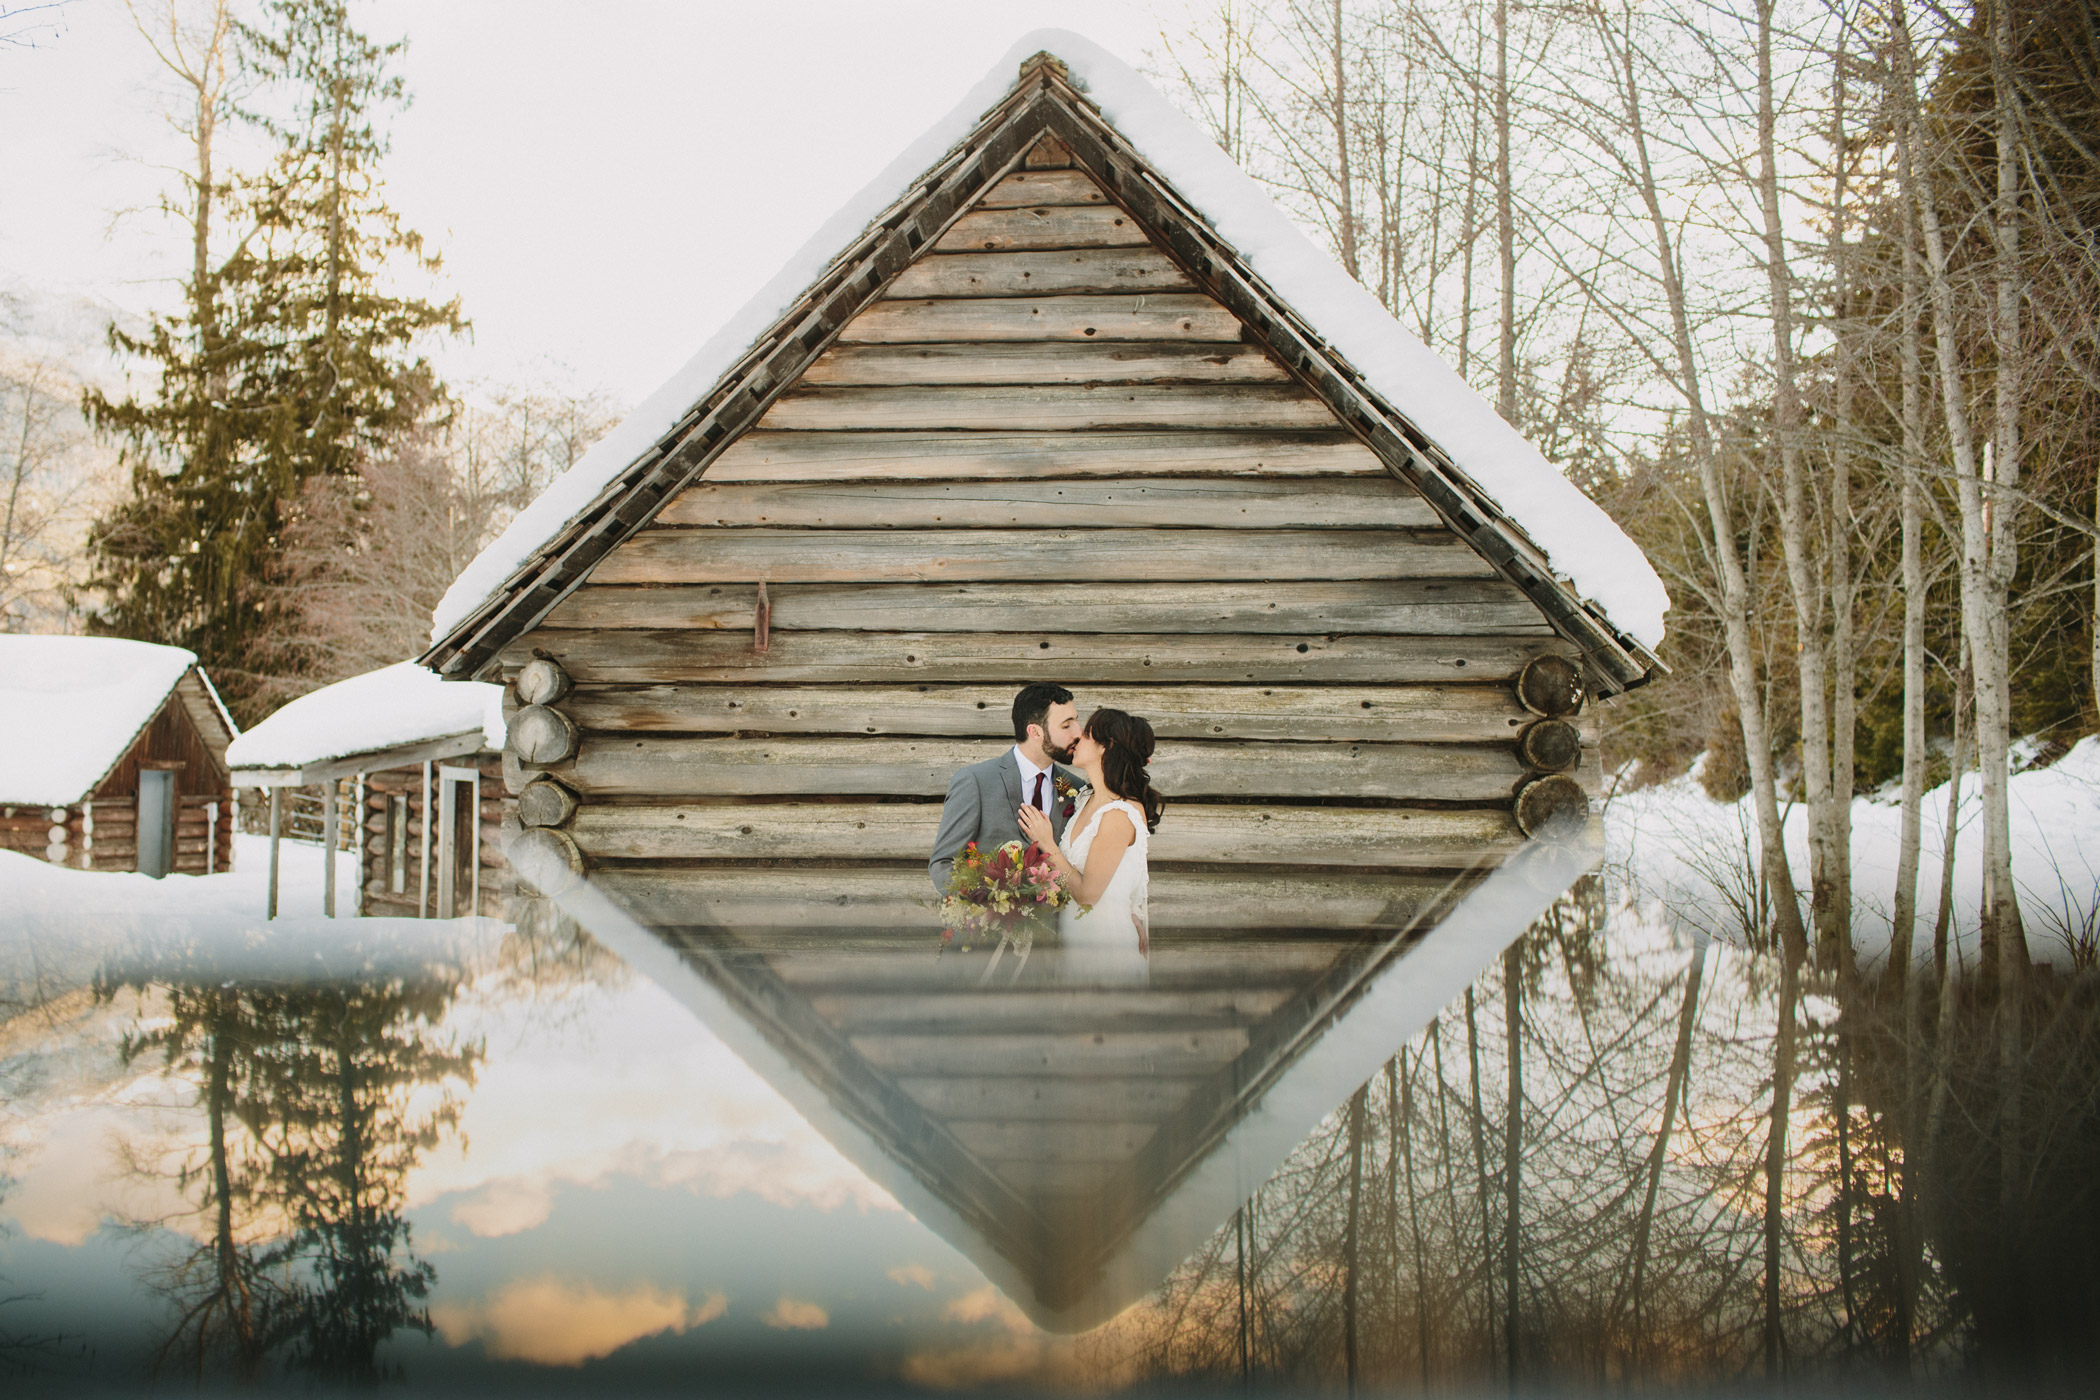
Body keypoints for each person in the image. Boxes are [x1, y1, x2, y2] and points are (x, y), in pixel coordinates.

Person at [1017, 708, 1163, 981]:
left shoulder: (1120, 813)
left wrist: (1046, 843)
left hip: (1107, 952)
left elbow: (1087, 894)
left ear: (1105, 748)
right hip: (1074, 947)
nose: (1076, 739)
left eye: (1085, 735)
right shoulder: (1085, 799)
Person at [928, 683, 1084, 892]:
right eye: (1066, 725)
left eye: (1076, 720)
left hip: (1059, 923)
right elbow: (943, 864)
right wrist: (986, 909)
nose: (1078, 733)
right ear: (1035, 732)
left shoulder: (1076, 788)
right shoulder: (975, 781)